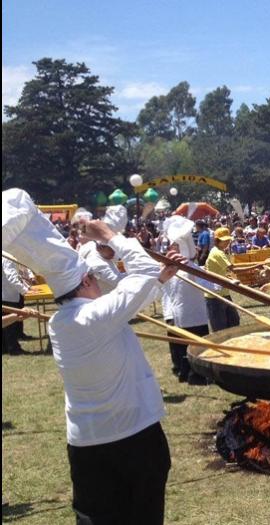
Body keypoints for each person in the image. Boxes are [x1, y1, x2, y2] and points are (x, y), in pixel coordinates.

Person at [3, 188, 182, 523]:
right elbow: (135, 280)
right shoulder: (98, 316)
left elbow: (128, 298)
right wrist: (111, 236)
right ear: (87, 280)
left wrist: (157, 279)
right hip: (134, 439)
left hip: (86, 446)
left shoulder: (62, 323)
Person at [160, 216, 215, 385]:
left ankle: (190, 373)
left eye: (176, 246)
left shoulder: (189, 267)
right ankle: (190, 374)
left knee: (190, 347)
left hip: (190, 314)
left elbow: (210, 285)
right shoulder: (172, 268)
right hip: (185, 315)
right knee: (188, 347)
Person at [204, 227, 240, 331]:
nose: (227, 242)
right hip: (214, 295)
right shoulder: (217, 253)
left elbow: (224, 271)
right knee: (220, 328)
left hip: (223, 292)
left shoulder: (222, 251)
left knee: (234, 321)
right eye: (224, 240)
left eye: (228, 240)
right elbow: (234, 269)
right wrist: (256, 266)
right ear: (217, 241)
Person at [2, 257, 31, 354]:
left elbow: (18, 277)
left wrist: (27, 288)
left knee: (7, 324)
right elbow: (12, 277)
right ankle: (14, 349)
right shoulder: (7, 257)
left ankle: (5, 348)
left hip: (6, 295)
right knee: (11, 325)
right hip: (8, 296)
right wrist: (25, 292)